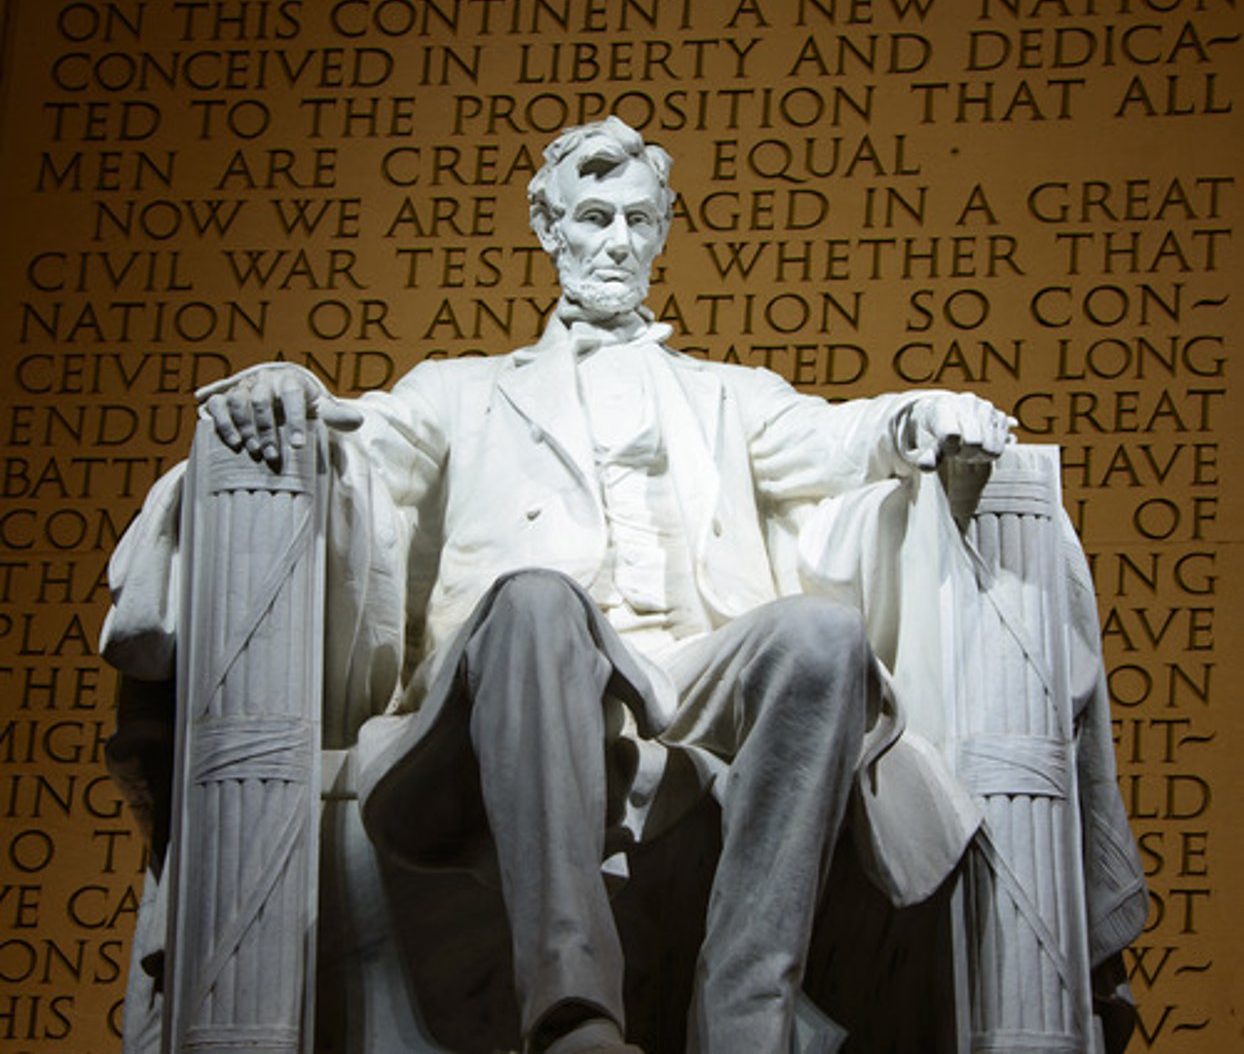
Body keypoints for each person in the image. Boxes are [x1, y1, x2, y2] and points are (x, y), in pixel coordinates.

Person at [110, 118, 1143, 1054]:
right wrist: (290, 390)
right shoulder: (460, 391)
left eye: (636, 220)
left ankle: (748, 1009)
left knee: (823, 641)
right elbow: (361, 443)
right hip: (525, 673)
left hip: (690, 667)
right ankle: (571, 1013)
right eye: (591, 217)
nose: (613, 240)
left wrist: (918, 416)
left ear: (660, 237)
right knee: (531, 600)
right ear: (547, 228)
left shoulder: (731, 396)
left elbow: (839, 436)